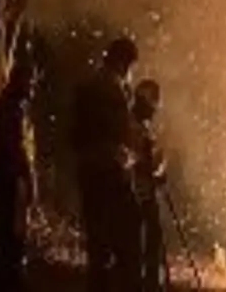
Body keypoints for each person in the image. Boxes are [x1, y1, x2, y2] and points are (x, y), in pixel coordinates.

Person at [71, 36, 142, 292]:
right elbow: (123, 134)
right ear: (123, 62)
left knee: (97, 244)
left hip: (89, 170)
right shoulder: (112, 90)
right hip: (110, 171)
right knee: (125, 238)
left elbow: (76, 136)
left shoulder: (88, 86)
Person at [0, 60, 39, 291]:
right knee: (12, 230)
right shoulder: (12, 109)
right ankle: (8, 278)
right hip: (12, 178)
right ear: (21, 80)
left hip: (6, 177)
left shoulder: (9, 106)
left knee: (6, 227)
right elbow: (17, 149)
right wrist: (28, 178)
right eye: (30, 81)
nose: (32, 87)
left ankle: (2, 275)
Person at [131, 79, 168, 292]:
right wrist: (155, 172)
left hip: (145, 194)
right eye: (152, 106)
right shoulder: (131, 126)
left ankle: (152, 283)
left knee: (153, 240)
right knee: (138, 245)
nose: (154, 112)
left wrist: (158, 167)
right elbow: (136, 163)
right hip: (135, 195)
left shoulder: (142, 127)